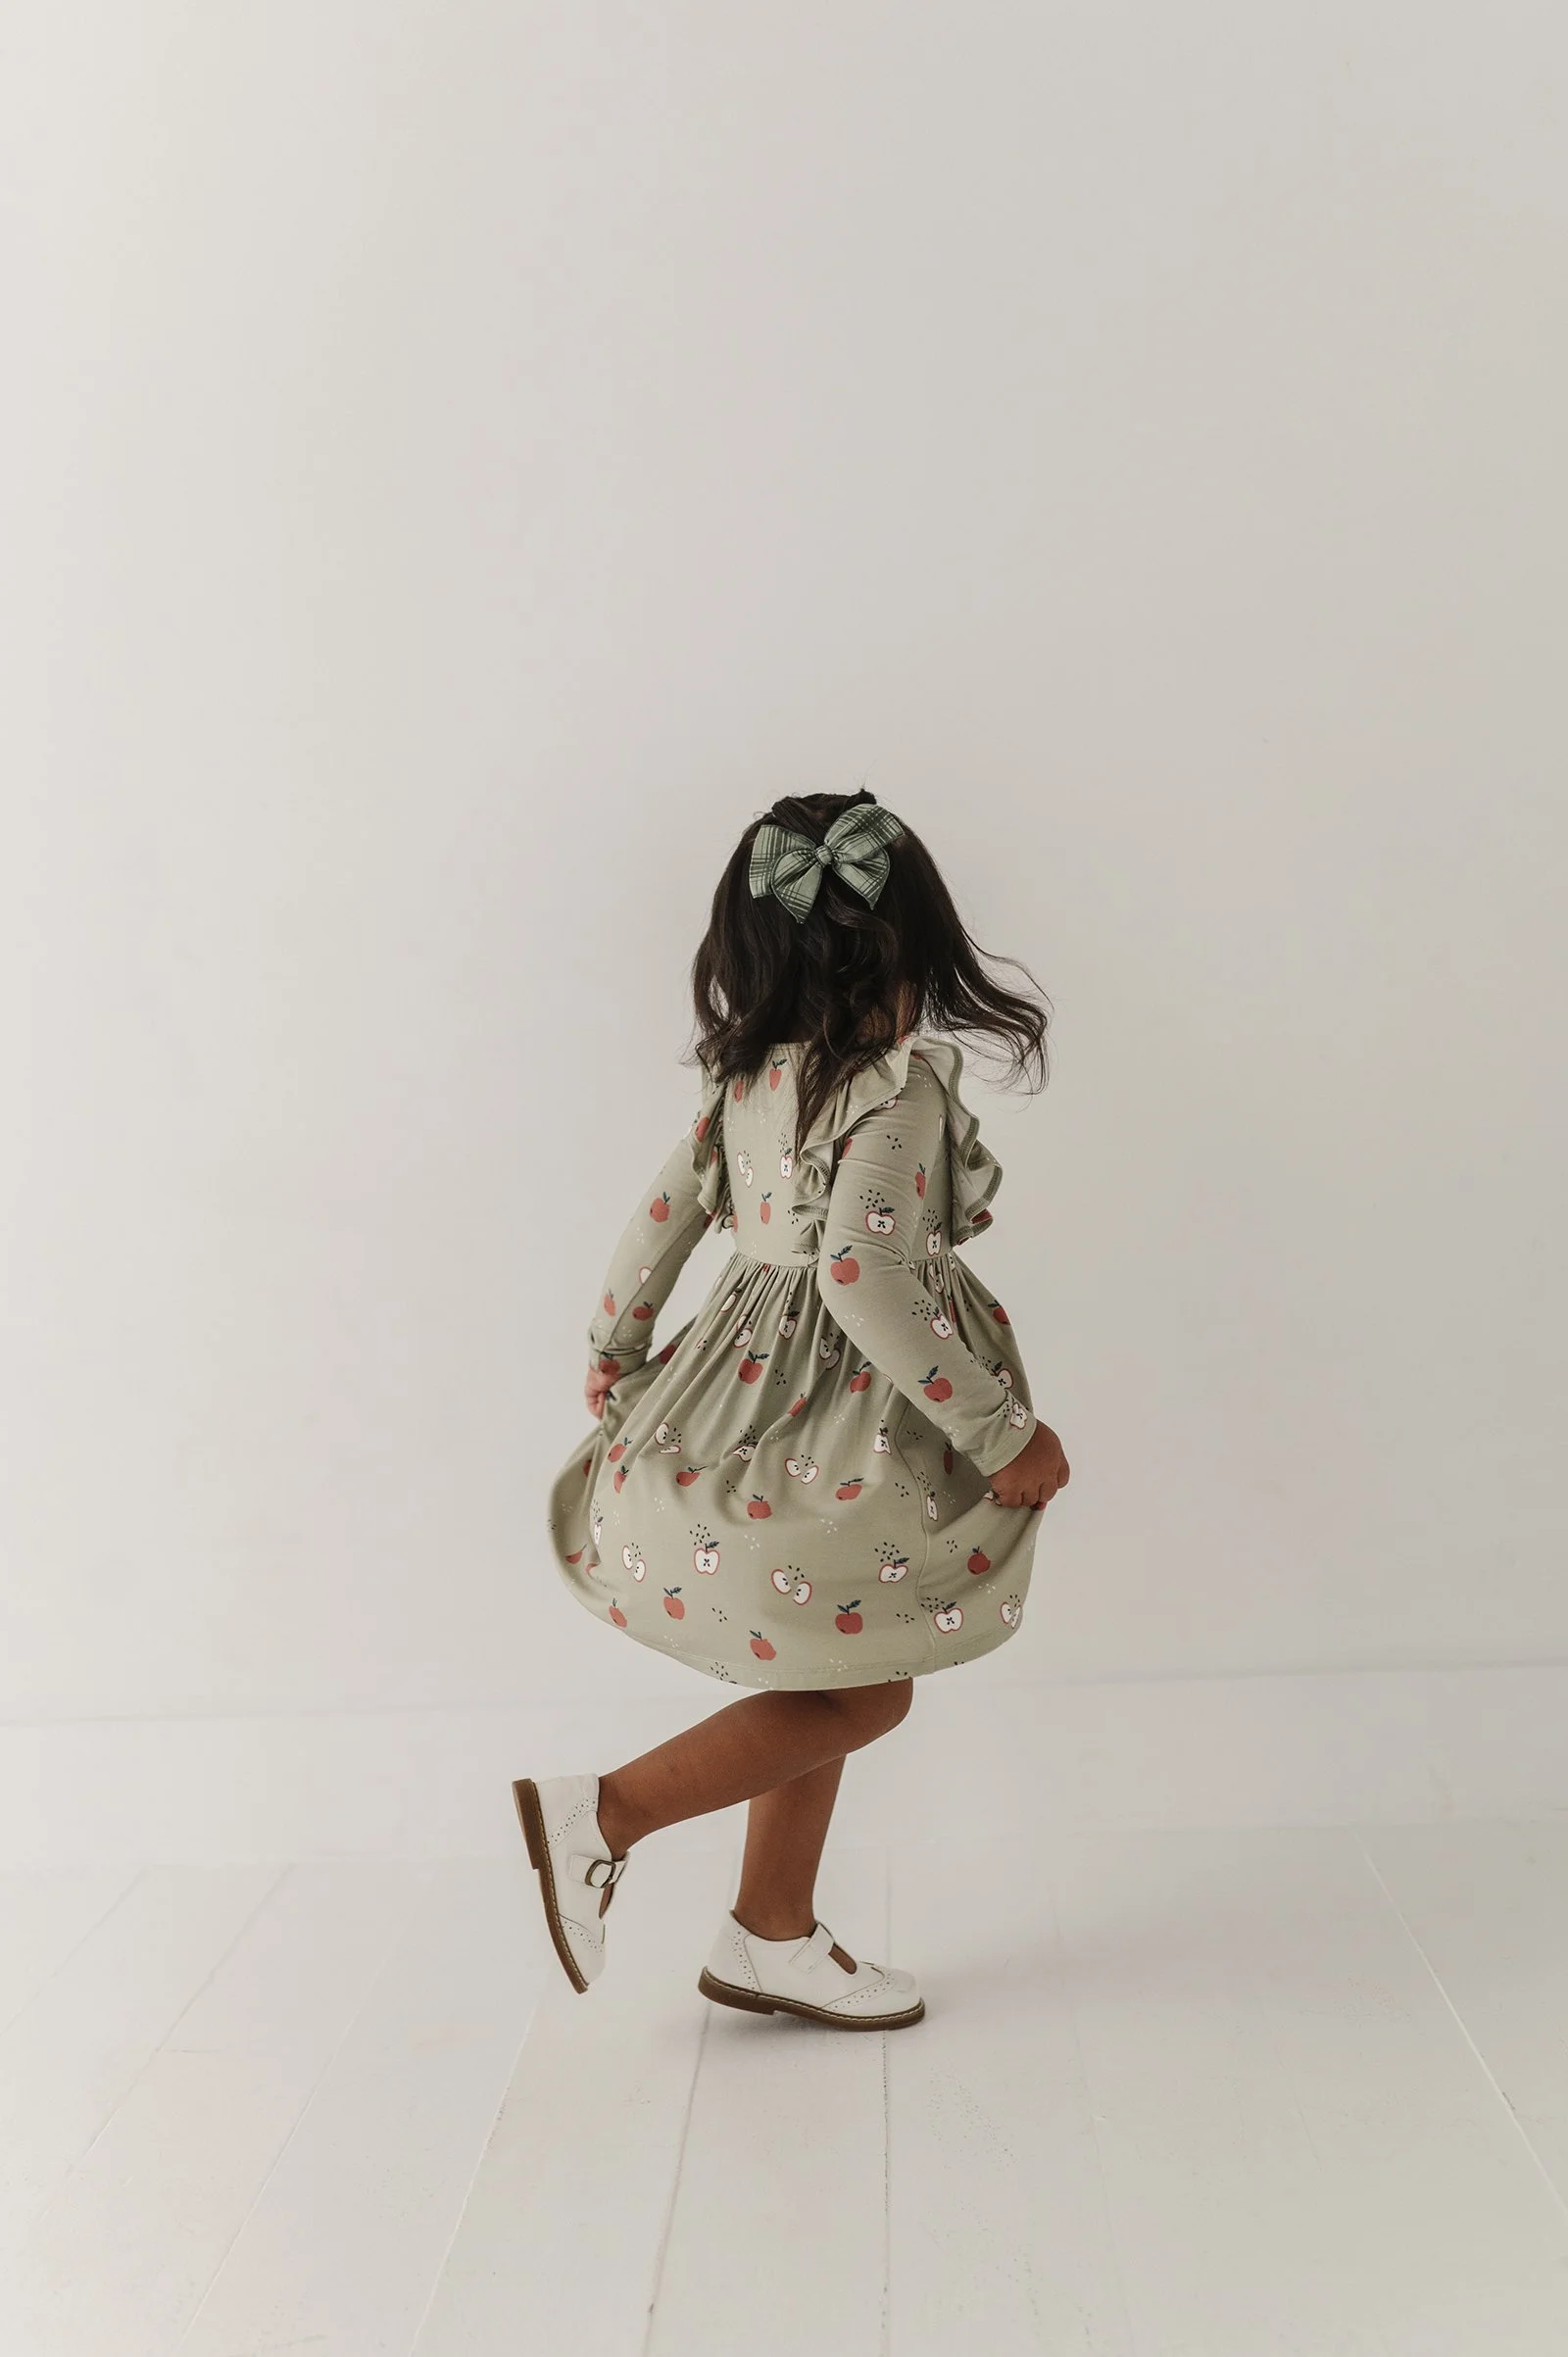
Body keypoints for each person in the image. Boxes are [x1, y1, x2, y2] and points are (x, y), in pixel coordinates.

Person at [516, 791, 1070, 2029]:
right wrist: (1000, 1432)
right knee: (870, 1689)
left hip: (734, 1405)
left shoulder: (746, 1081)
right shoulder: (896, 1091)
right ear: (915, 943)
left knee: (835, 1661)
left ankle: (771, 1928)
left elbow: (659, 1220)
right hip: (842, 1423)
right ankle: (602, 1813)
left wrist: (615, 1348)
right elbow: (861, 1274)